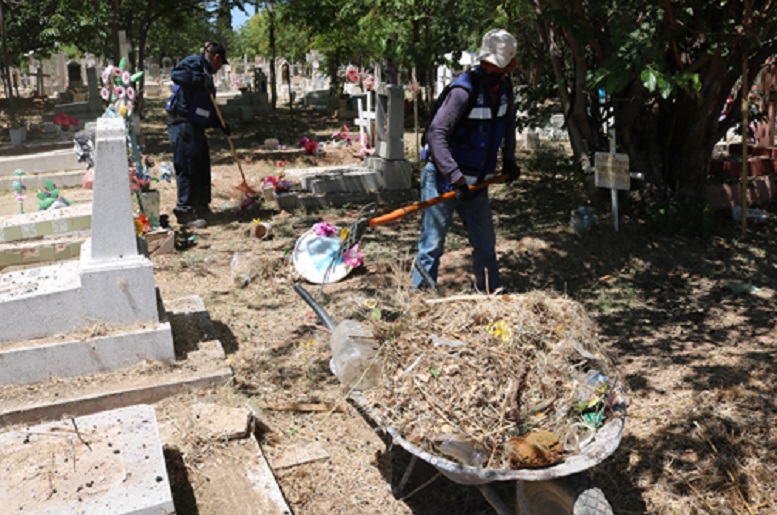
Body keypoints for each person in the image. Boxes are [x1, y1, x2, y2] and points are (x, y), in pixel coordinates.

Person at [412, 29, 521, 292]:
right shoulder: (463, 90)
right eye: (485, 64)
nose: (488, 70)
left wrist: (508, 160)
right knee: (432, 246)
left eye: (495, 66)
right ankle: (420, 301)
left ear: (510, 66)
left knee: (485, 245)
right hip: (442, 179)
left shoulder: (506, 90)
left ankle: (488, 297)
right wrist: (454, 176)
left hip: (478, 183)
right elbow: (436, 134)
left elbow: (506, 126)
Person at [165, 42, 231, 228]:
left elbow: (206, 107)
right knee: (187, 166)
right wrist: (198, 78)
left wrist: (221, 124)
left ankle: (201, 207)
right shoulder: (195, 63)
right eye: (220, 63)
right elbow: (176, 75)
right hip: (181, 122)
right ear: (216, 58)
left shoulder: (208, 76)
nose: (219, 68)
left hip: (195, 126)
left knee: (202, 166)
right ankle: (185, 212)